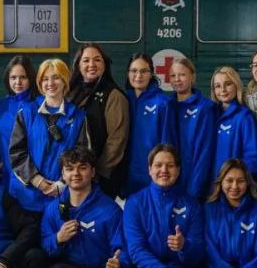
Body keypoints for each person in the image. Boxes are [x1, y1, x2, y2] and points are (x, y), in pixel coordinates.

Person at [35, 148, 128, 268]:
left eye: (82, 168)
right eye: (69, 169)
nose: (76, 173)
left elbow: (123, 247)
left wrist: (119, 263)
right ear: (62, 174)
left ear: (92, 172)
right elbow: (46, 244)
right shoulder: (54, 208)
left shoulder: (109, 209)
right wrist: (58, 239)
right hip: (69, 267)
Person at [123, 144, 208, 268]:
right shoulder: (135, 203)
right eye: (158, 165)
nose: (164, 170)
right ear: (149, 169)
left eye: (170, 165)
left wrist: (184, 247)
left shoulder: (192, 204)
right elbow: (137, 250)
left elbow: (199, 252)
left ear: (178, 170)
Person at [8, 58, 89, 213]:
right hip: (26, 197)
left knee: (57, 237)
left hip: (63, 196)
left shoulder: (78, 116)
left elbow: (82, 154)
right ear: (39, 83)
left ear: (65, 81)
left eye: (56, 77)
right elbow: (16, 152)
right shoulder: (26, 112)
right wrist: (37, 180)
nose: (50, 83)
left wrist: (61, 183)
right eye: (45, 79)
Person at [69, 43, 129, 196]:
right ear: (78, 65)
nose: (91, 64)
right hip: (72, 177)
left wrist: (97, 173)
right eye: (86, 60)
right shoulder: (70, 93)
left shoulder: (114, 95)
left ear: (105, 64)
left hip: (100, 180)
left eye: (97, 60)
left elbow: (117, 140)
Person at [123, 53, 178, 197]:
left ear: (151, 73)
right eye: (134, 71)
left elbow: (168, 145)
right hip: (125, 179)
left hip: (151, 179)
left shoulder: (162, 103)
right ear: (128, 73)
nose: (138, 75)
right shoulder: (123, 100)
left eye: (143, 71)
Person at [169, 57, 216, 200]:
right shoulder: (167, 106)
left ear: (193, 77)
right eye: (173, 75)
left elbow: (204, 152)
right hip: (169, 182)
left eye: (182, 75)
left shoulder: (205, 108)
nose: (177, 79)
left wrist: (194, 191)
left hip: (194, 186)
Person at [210, 67, 257, 180]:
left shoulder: (244, 116)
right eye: (218, 86)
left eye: (228, 84)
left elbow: (252, 156)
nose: (223, 90)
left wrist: (237, 180)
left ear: (236, 85)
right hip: (212, 185)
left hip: (233, 185)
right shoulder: (210, 116)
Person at [0, 56, 35, 176]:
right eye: (13, 77)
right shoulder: (1, 105)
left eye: (23, 77)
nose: (18, 82)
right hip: (7, 174)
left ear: (31, 78)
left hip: (31, 173)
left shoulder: (39, 105)